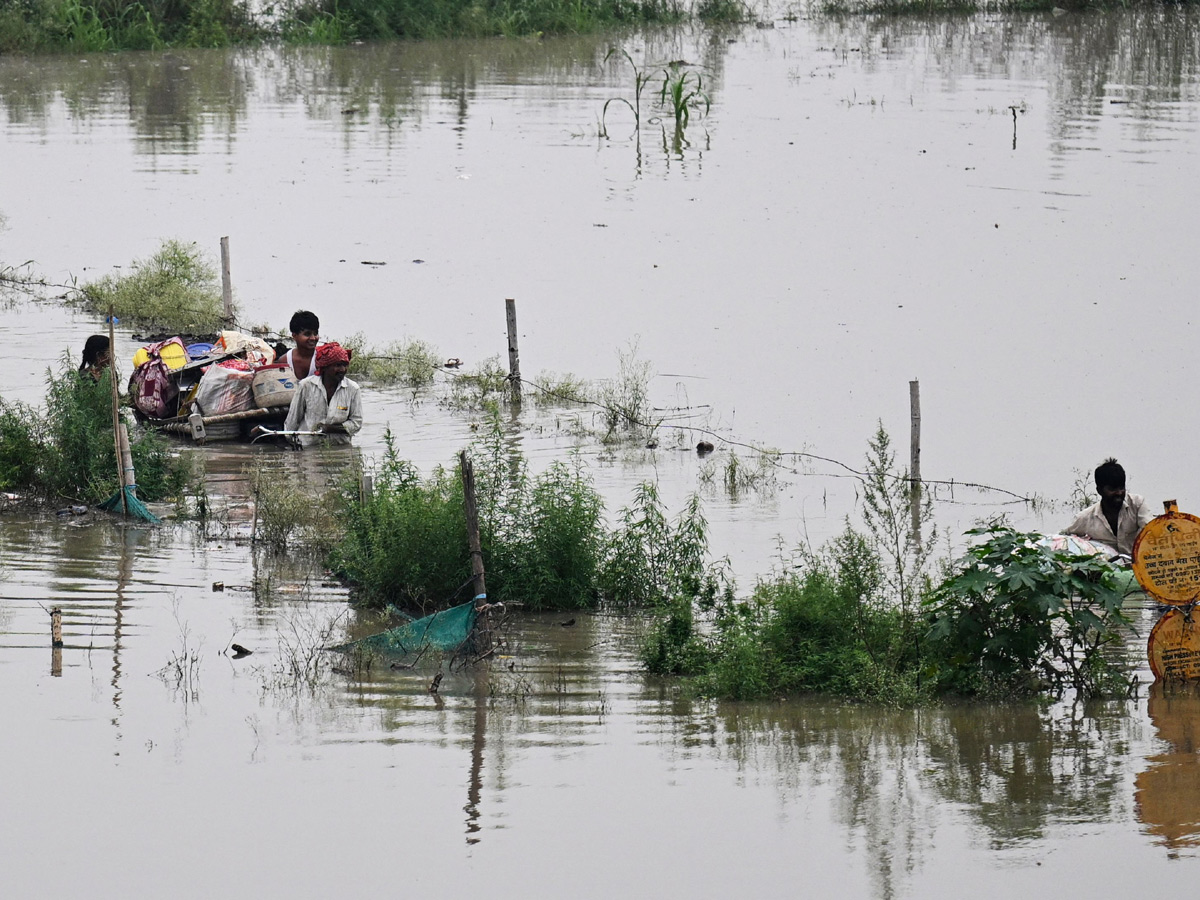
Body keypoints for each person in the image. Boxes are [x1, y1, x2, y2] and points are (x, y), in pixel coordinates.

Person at [1063, 458, 1153, 557]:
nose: (1119, 493)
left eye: (1121, 488)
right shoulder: (1085, 518)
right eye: (1112, 489)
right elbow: (1064, 538)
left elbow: (1151, 530)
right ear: (1099, 490)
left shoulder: (1137, 504)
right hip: (1108, 569)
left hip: (1140, 565)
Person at [283, 342, 362, 447]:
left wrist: (330, 429)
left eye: (345, 365)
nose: (342, 370)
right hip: (309, 449)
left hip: (340, 449)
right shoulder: (306, 386)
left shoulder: (353, 389)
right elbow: (292, 420)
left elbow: (356, 423)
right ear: (324, 367)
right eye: (338, 365)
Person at [279, 310, 321, 381]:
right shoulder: (285, 361)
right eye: (307, 334)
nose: (313, 338)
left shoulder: (322, 359)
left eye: (315, 333)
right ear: (294, 336)